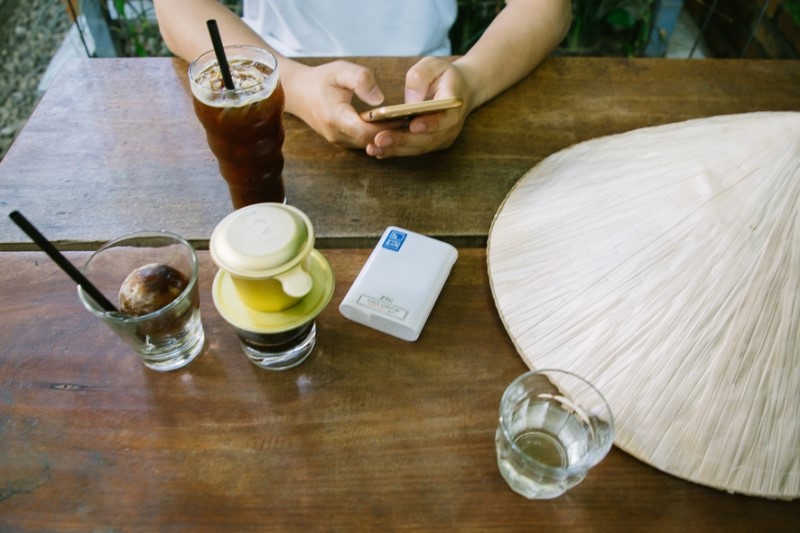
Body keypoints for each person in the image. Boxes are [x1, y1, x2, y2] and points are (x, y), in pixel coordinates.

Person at [153, 0, 572, 159]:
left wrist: (470, 79)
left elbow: (547, 7)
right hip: (269, 92)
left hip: (431, 84)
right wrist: (293, 85)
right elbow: (176, 9)